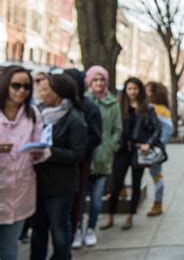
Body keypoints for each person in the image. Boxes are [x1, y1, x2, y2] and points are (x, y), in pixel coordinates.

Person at [31, 73, 88, 260]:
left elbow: (78, 154)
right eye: (40, 87)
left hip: (60, 186)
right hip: (36, 182)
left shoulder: (74, 119)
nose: (40, 92)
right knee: (38, 230)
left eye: (45, 89)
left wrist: (49, 151)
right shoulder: (36, 113)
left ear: (58, 93)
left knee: (59, 230)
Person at [0, 66, 50, 260]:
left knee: (10, 248)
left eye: (26, 86)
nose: (22, 91)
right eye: (16, 86)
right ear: (5, 85)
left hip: (20, 191)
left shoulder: (33, 114)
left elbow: (41, 147)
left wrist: (38, 151)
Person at [101, 77, 162, 230]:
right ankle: (110, 216)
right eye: (129, 89)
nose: (132, 92)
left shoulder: (147, 108)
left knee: (136, 185)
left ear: (139, 90)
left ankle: (130, 216)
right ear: (125, 90)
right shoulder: (119, 106)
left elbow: (157, 128)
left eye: (135, 88)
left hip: (138, 151)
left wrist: (148, 143)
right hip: (122, 151)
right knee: (116, 184)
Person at [71, 65, 122, 247]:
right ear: (89, 82)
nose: (99, 83)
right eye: (95, 79)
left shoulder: (113, 102)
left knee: (96, 201)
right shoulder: (83, 102)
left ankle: (91, 228)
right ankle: (77, 229)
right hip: (84, 159)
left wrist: (110, 146)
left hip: (103, 159)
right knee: (80, 198)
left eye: (102, 79)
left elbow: (118, 129)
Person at [65, 69, 102, 249]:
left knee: (82, 198)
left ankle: (79, 229)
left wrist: (77, 150)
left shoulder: (89, 108)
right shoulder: (55, 107)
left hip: (81, 164)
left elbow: (96, 137)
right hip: (57, 168)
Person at [145, 81, 173, 217]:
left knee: (156, 175)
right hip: (144, 147)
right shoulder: (148, 106)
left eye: (148, 90)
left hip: (153, 149)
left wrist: (158, 146)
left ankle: (158, 203)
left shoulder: (160, 109)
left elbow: (168, 129)